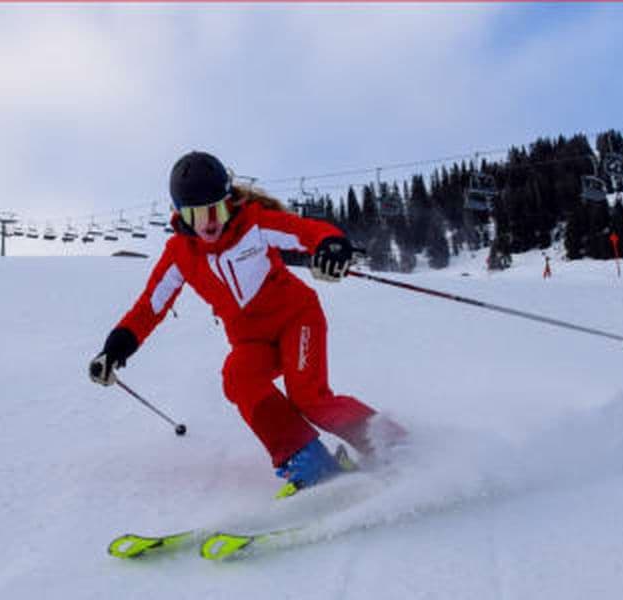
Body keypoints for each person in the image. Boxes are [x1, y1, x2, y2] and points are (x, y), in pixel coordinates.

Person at [89, 151, 400, 495]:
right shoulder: (180, 254)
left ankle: (393, 445)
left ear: (229, 202)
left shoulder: (254, 224)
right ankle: (309, 461)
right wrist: (114, 349)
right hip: (252, 342)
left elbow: (307, 232)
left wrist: (330, 245)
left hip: (296, 320)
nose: (210, 222)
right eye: (196, 214)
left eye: (217, 209)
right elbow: (150, 307)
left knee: (309, 397)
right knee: (238, 377)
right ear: (179, 216)